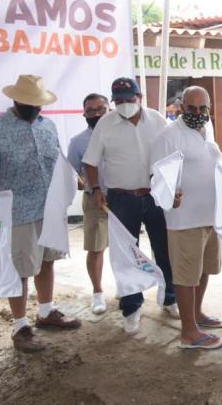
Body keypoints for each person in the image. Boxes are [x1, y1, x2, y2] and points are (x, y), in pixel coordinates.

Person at [0, 74, 81, 352]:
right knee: (19, 270)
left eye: (38, 104)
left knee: (47, 261)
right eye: (30, 104)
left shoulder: (48, 126)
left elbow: (57, 161)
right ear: (16, 100)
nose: (35, 109)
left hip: (50, 207)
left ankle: (46, 312)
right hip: (17, 211)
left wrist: (73, 178)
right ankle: (20, 328)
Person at [83, 77, 177, 334]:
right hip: (121, 198)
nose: (125, 105)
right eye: (120, 101)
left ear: (140, 98)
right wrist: (96, 190)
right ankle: (132, 307)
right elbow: (90, 162)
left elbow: (172, 154)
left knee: (164, 249)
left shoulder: (157, 120)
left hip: (156, 196)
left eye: (130, 100)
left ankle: (170, 297)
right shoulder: (105, 124)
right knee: (126, 255)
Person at [151, 86, 222, 350]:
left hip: (210, 216)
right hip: (184, 220)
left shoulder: (207, 129)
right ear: (181, 107)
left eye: (201, 108)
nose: (196, 113)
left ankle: (197, 314)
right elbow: (157, 176)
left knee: (204, 269)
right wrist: (170, 195)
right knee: (185, 275)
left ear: (208, 108)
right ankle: (188, 332)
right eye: (190, 108)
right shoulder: (169, 136)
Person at [67, 93, 110, 314]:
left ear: (109, 108)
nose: (95, 114)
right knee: (96, 248)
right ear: (84, 114)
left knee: (128, 247)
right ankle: (98, 293)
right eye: (90, 111)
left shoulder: (121, 134)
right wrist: (83, 182)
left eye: (100, 109)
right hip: (95, 201)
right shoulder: (78, 142)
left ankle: (129, 288)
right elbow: (72, 173)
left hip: (124, 198)